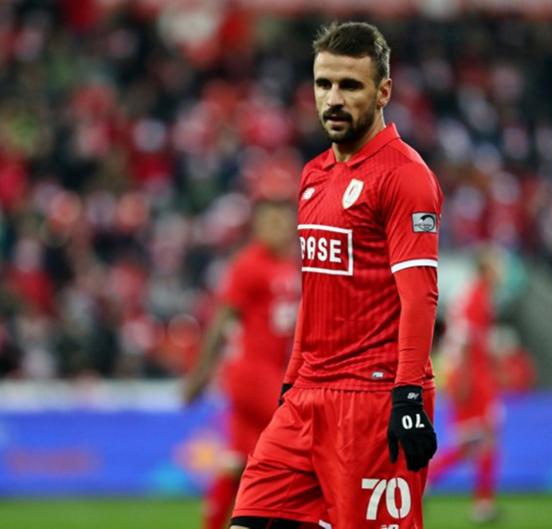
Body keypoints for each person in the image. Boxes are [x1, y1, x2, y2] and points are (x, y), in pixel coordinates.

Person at [229, 22, 443, 529]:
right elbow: (315, 291)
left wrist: (408, 394)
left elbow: (420, 296)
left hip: (372, 398)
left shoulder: (405, 177)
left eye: (350, 85)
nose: (333, 99)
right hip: (306, 397)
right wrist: (291, 382)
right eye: (323, 84)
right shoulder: (313, 175)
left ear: (383, 92)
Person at [183, 199, 300, 529]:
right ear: (257, 228)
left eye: (282, 222)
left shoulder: (288, 264)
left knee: (239, 458)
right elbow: (223, 318)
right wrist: (201, 373)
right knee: (301, 438)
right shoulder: (249, 265)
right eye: (270, 222)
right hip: (254, 372)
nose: (277, 229)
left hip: (267, 370)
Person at [427, 249, 502, 523]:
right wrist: (465, 381)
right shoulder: (477, 297)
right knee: (480, 439)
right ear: (486, 269)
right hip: (471, 377)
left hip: (472, 374)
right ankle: (480, 502)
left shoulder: (475, 295)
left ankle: (480, 502)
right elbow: (465, 342)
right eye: (497, 266)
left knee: (476, 442)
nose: (501, 272)